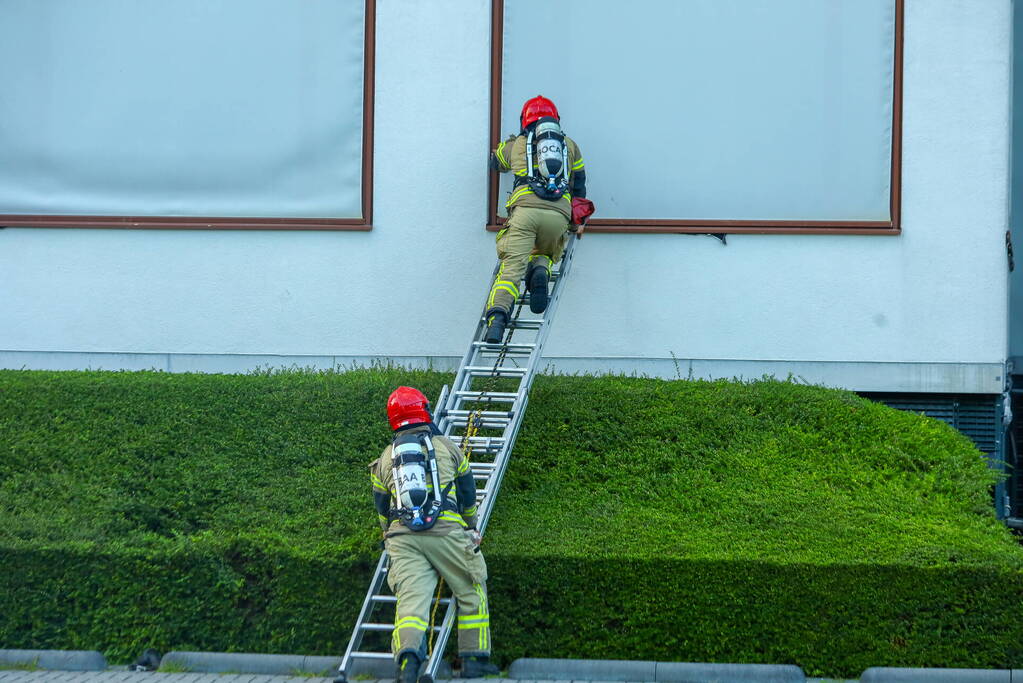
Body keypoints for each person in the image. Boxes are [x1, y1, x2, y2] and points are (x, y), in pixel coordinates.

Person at [370, 386, 500, 682]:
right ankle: (474, 661)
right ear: (424, 410)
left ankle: (408, 665)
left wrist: (386, 535)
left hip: (401, 538)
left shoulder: (386, 457)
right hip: (446, 533)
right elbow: (468, 492)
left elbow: (381, 507)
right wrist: (470, 526)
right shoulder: (448, 447)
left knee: (412, 602)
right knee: (471, 588)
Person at [485, 94, 588, 344]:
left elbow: (494, 162)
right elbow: (580, 185)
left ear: (525, 120)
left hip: (526, 213)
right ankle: (540, 270)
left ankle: (497, 320)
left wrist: (508, 146)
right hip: (558, 216)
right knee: (544, 249)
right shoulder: (570, 146)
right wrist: (578, 223)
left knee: (511, 270)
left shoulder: (518, 144)